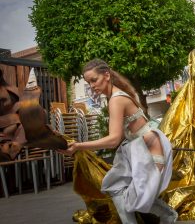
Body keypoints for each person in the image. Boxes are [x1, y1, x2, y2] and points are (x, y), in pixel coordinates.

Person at [60, 59, 177, 224]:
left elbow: (114, 139)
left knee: (137, 198)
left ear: (106, 75)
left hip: (148, 151)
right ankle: (165, 215)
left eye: (94, 80)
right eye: (88, 82)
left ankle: (168, 215)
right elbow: (121, 135)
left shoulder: (116, 99)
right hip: (136, 148)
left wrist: (79, 145)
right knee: (116, 187)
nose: (92, 86)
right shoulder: (115, 97)